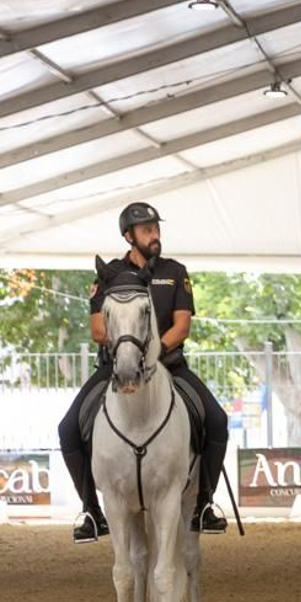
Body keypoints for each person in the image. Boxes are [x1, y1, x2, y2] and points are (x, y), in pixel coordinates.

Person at [56, 202, 230, 541]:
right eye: (147, 230)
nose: (155, 235)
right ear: (128, 235)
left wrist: (154, 351)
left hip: (170, 366)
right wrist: (128, 351)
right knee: (67, 429)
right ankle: (91, 510)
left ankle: (204, 505)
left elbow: (182, 326)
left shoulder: (175, 271)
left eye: (156, 229)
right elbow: (97, 329)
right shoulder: (109, 274)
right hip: (115, 368)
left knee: (217, 420)